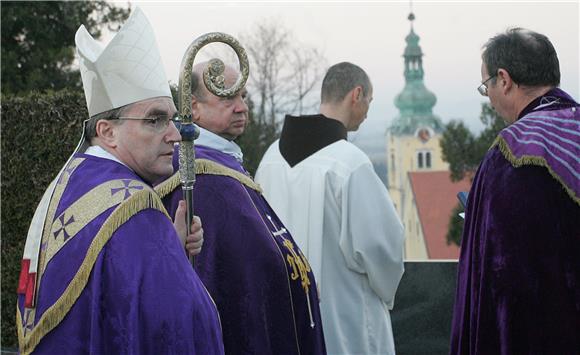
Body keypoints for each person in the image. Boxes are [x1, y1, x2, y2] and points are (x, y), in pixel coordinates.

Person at [16, 8, 224, 354]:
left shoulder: (71, 181)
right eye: (155, 120)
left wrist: (169, 247)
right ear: (107, 131)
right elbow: (178, 322)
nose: (175, 135)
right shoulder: (134, 208)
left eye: (172, 119)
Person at [155, 62, 326, 355]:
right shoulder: (197, 175)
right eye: (227, 98)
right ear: (193, 107)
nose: (241, 107)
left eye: (243, 96)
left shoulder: (225, 162)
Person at [255, 62, 405, 355]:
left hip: (288, 315)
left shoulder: (270, 158)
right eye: (369, 102)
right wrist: (387, 290)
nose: (368, 112)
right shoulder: (349, 163)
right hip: (345, 319)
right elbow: (381, 248)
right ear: (356, 94)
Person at [449, 28, 580, 354]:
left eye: (486, 86)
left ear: (503, 80)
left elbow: (505, 277)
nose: (489, 98)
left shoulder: (511, 154)